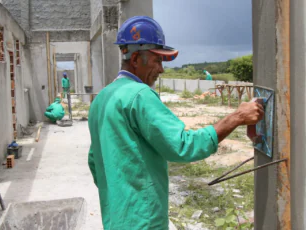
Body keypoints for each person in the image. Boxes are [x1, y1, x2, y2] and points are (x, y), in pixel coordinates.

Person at [87, 16, 264, 230]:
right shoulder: (140, 95)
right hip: (143, 220)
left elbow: (95, 161)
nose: (161, 69)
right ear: (135, 59)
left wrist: (118, 193)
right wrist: (237, 117)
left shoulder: (103, 98)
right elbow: (183, 145)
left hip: (116, 218)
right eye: (157, 60)